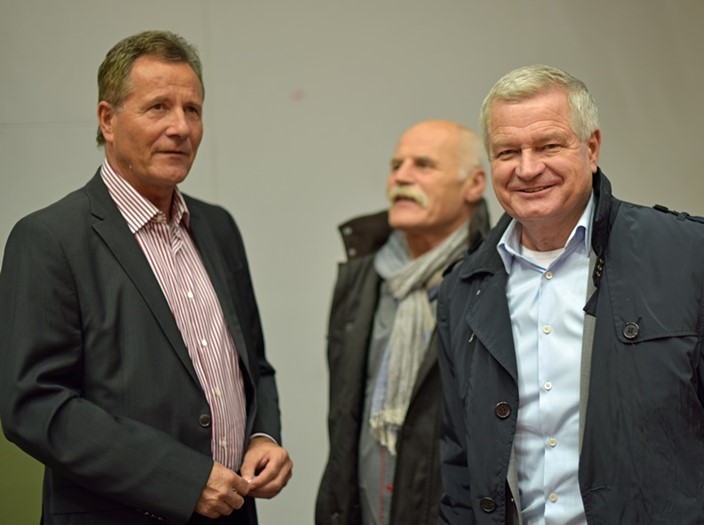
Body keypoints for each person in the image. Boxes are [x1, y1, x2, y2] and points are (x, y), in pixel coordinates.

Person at [436, 64, 704, 524]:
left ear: (591, 148)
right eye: (507, 152)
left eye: (548, 145)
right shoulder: (464, 289)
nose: (527, 168)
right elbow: (459, 470)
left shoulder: (689, 257)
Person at [0, 30, 292, 524]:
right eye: (158, 107)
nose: (181, 127)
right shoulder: (49, 239)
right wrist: (181, 479)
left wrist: (263, 436)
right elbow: (34, 404)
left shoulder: (218, 226)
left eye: (192, 109)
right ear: (107, 120)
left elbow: (254, 367)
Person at [315, 119, 489, 525]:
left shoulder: (495, 280)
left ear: (474, 184)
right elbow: (344, 419)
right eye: (396, 165)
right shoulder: (362, 277)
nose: (401, 177)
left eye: (423, 165)